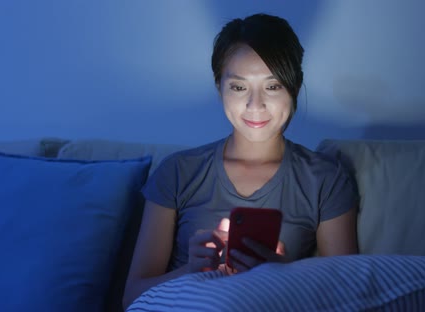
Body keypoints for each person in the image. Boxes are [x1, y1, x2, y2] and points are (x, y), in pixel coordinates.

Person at [122, 13, 358, 308]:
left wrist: (283, 275)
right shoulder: (178, 172)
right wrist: (189, 272)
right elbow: (132, 298)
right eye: (238, 87)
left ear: (294, 88)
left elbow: (351, 294)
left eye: (272, 86)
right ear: (219, 86)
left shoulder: (325, 179)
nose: (254, 105)